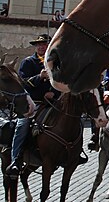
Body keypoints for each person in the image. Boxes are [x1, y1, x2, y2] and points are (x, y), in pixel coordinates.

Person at [6, 34, 67, 176]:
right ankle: (15, 160)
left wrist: (54, 93)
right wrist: (39, 77)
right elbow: (22, 83)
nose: (41, 47)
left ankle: (70, 154)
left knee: (70, 121)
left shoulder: (55, 63)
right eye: (39, 45)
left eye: (45, 44)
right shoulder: (28, 62)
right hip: (33, 104)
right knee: (22, 126)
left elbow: (61, 82)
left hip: (52, 103)